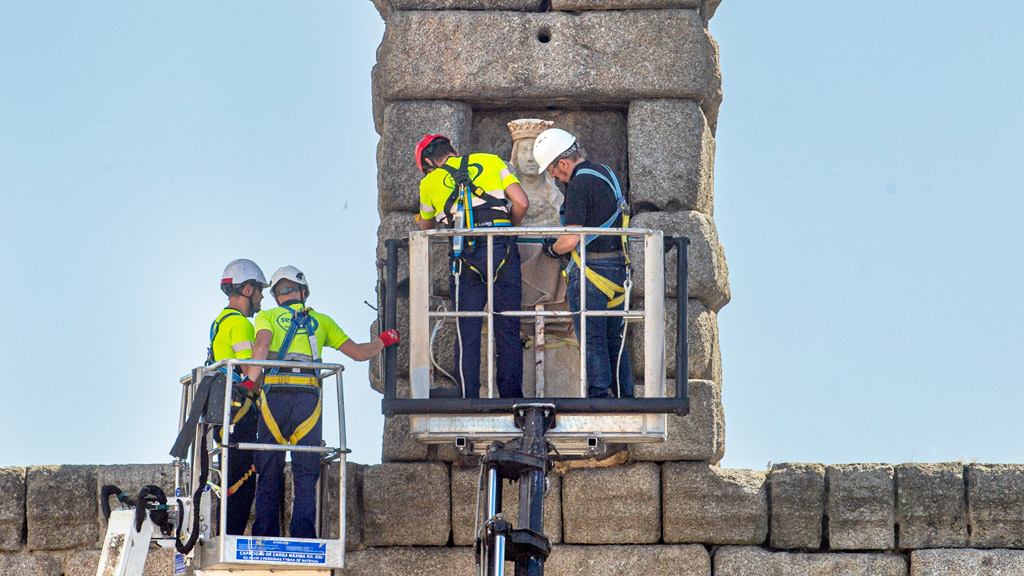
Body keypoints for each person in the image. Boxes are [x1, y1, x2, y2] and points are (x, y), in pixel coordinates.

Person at [248, 265, 399, 538]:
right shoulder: (322, 321)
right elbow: (358, 353)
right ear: (303, 292)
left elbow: (261, 346)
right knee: (306, 474)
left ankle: (264, 535)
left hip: (274, 401)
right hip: (307, 401)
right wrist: (383, 341)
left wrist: (249, 382)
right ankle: (304, 535)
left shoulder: (267, 316)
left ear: (275, 296)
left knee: (269, 471)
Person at [415, 134, 529, 399]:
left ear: (430, 162)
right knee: (508, 328)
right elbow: (521, 202)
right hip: (503, 250)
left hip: (464, 254)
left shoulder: (428, 182)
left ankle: (468, 396)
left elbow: (425, 229)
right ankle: (511, 398)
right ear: (453, 149)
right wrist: (509, 229)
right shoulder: (491, 161)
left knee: (467, 331)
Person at [533, 128, 634, 399]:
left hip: (591, 273)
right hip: (618, 270)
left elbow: (570, 240)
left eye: (553, 170)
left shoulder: (578, 184)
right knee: (616, 339)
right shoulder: (606, 173)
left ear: (563, 163)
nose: (553, 176)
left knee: (592, 339)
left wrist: (552, 250)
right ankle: (626, 396)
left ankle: (599, 396)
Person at [208, 258, 268, 535]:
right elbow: (248, 374)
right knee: (243, 483)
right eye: (259, 291)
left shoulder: (219, 321)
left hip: (224, 413)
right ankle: (230, 537)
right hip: (239, 413)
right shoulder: (242, 325)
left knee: (232, 478)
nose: (261, 297)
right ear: (247, 289)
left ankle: (225, 534)